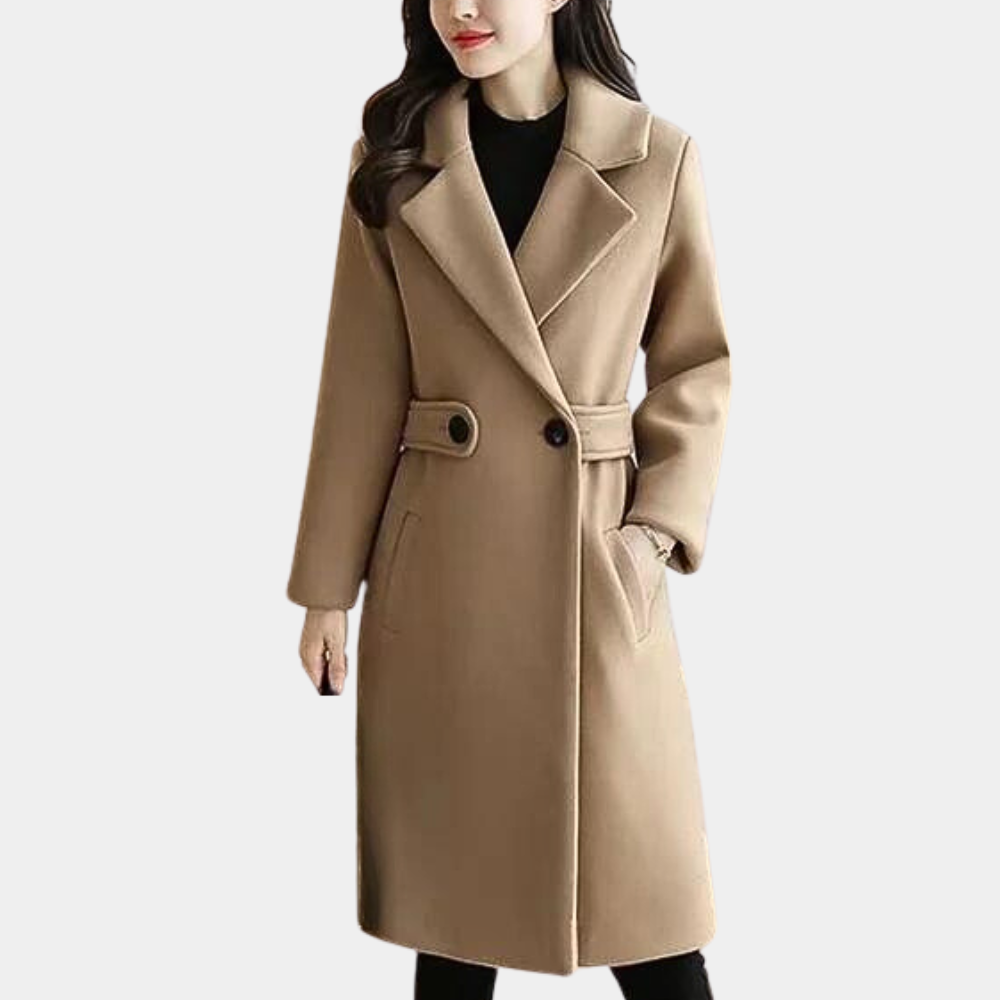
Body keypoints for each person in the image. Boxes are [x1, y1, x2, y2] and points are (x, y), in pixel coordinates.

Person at [287, 1, 731, 995]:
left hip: (595, 567)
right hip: (444, 575)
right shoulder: (397, 160)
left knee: (650, 911)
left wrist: (652, 536)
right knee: (454, 917)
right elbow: (361, 382)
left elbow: (697, 365)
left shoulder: (656, 158)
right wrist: (326, 591)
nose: (461, 8)